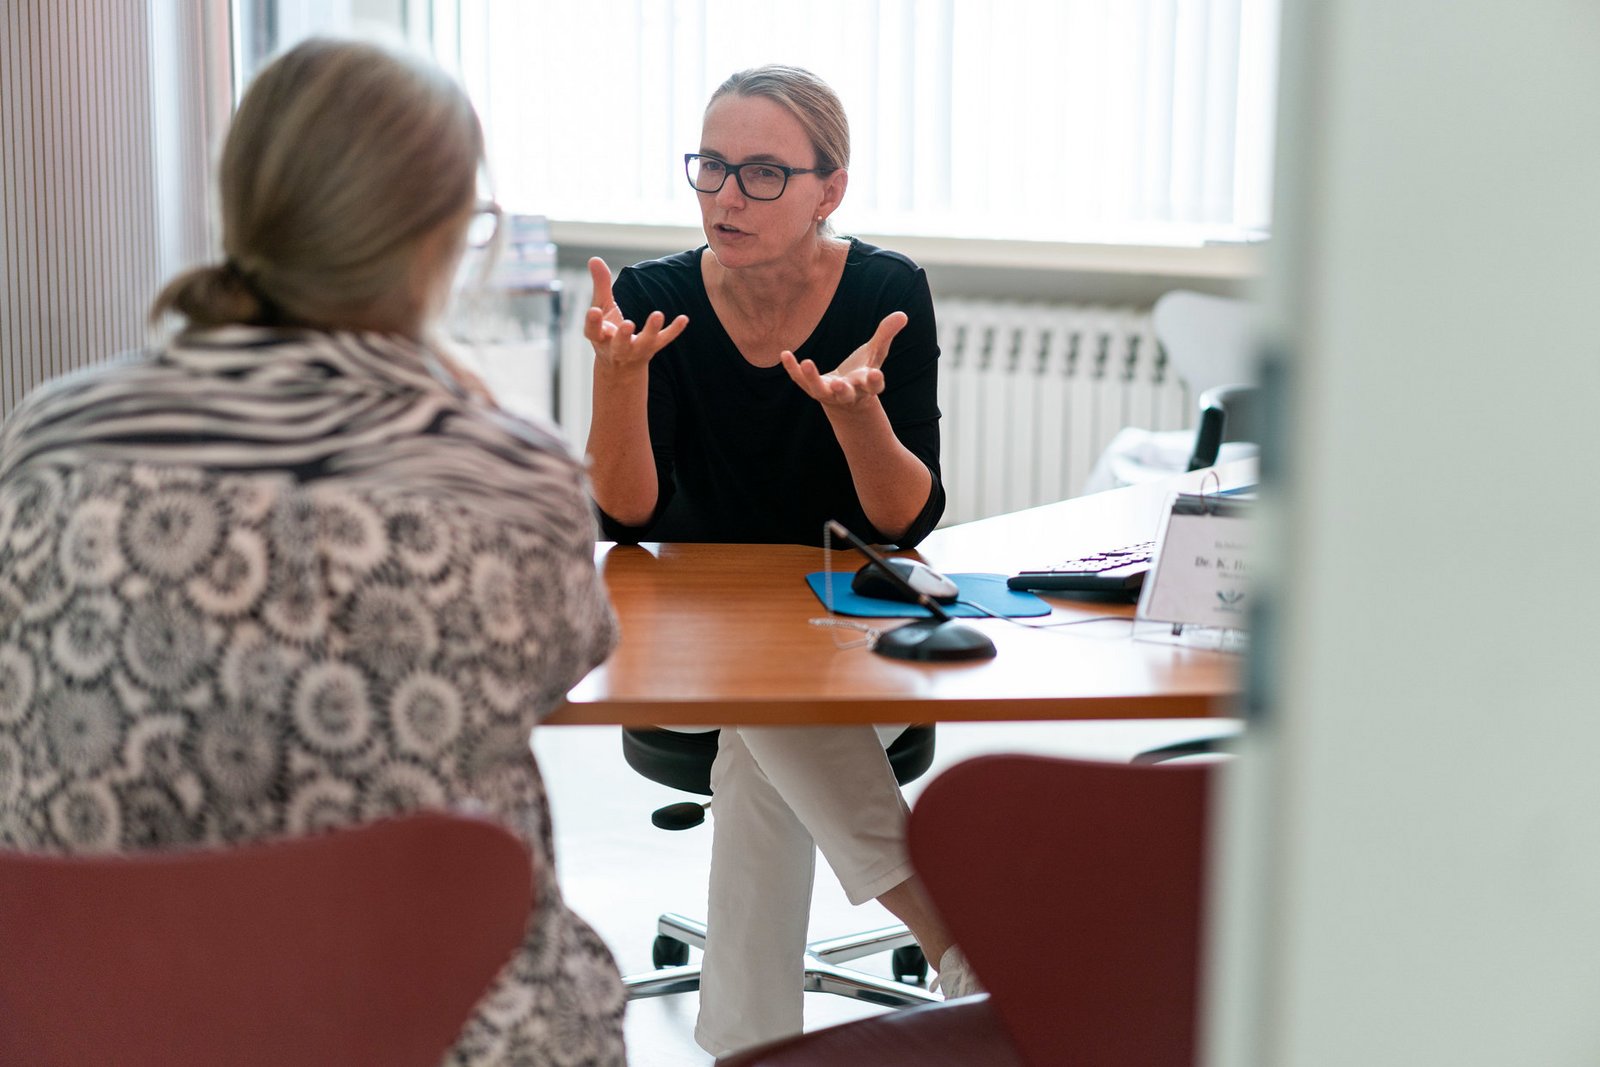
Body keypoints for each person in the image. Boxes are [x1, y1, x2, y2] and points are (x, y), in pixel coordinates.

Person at [0, 39, 627, 1066]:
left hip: (90, 1017)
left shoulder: (50, 437)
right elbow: (556, 669)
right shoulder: (515, 476)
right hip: (434, 1028)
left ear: (243, 208)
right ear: (444, 238)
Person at [583, 64, 979, 1055]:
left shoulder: (886, 292)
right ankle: (954, 941)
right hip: (689, 650)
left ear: (828, 188)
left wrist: (860, 422)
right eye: (711, 166)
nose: (726, 194)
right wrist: (616, 379)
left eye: (762, 173)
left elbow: (905, 520)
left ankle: (749, 1049)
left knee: (761, 736)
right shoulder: (650, 300)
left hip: (858, 634)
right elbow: (623, 516)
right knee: (760, 692)